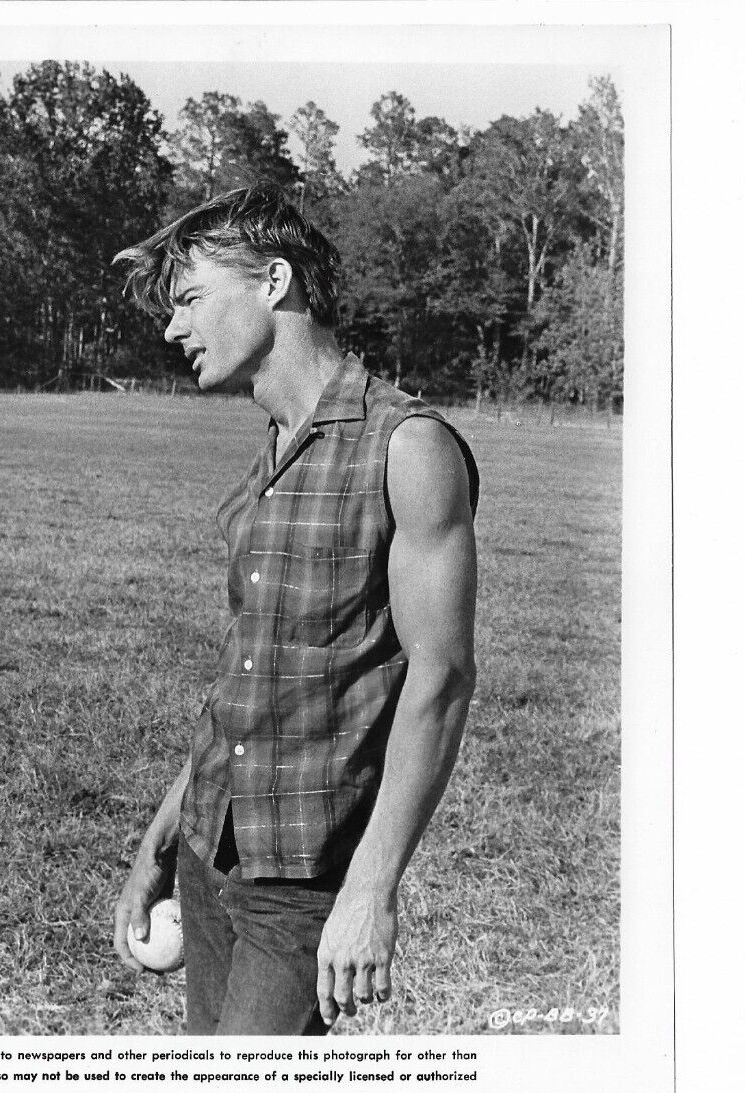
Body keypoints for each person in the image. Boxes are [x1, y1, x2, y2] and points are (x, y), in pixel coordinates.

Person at [110, 185, 480, 1035]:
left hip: (303, 882)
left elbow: (443, 679)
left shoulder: (408, 446)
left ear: (274, 282)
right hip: (210, 857)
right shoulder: (272, 444)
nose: (174, 328)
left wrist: (372, 889)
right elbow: (248, 675)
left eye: (192, 299)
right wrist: (165, 836)